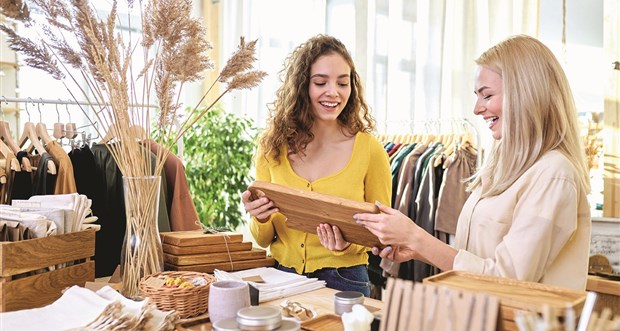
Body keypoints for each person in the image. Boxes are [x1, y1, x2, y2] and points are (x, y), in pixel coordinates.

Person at [353, 35, 591, 291]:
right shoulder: (501, 166)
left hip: (520, 329)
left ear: (525, 94)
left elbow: (508, 279)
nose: (477, 109)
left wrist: (418, 238)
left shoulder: (554, 174)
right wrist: (415, 249)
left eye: (486, 96)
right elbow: (477, 258)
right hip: (480, 319)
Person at [241, 34, 392, 296]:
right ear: (302, 87)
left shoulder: (369, 149)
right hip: (282, 277)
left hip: (346, 280)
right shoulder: (271, 148)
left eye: (343, 83)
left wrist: (347, 246)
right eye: (320, 82)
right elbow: (263, 238)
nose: (333, 92)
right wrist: (260, 216)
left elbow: (381, 232)